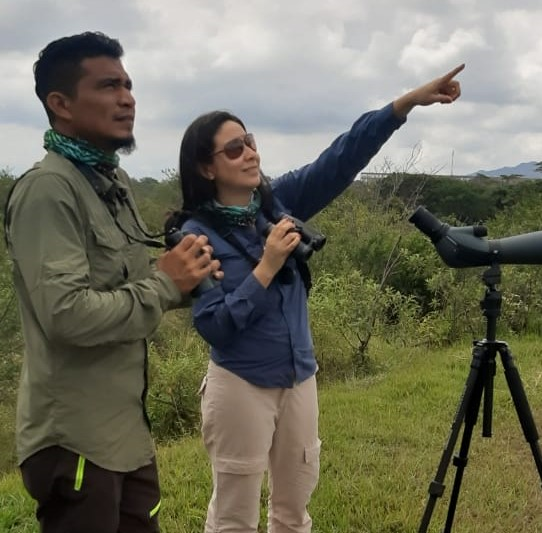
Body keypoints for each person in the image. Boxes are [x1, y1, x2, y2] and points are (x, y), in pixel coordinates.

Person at [166, 64, 464, 533]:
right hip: (241, 385)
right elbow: (215, 327)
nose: (250, 153)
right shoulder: (194, 236)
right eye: (234, 148)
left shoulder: (276, 203)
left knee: (294, 512)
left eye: (251, 141)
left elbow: (340, 159)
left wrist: (403, 104)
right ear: (207, 167)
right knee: (233, 517)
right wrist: (265, 268)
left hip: (299, 377)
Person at [3, 31, 221, 533]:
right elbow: (66, 315)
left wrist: (189, 278)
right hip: (76, 443)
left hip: (126, 436)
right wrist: (165, 284)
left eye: (128, 84)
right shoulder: (47, 191)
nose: (127, 98)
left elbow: (127, 285)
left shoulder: (112, 183)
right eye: (107, 86)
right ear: (60, 104)